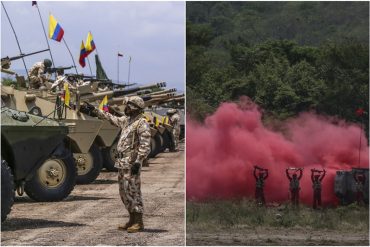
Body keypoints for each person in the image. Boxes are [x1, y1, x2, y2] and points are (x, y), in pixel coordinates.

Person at [89, 96, 151, 233]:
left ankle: (138, 221)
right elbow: (112, 118)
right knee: (124, 191)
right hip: (122, 162)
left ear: (134, 107)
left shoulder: (141, 123)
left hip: (132, 163)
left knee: (133, 191)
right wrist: (95, 111)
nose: (125, 108)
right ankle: (131, 219)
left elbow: (145, 145)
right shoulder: (127, 121)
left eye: (128, 106)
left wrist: (138, 162)